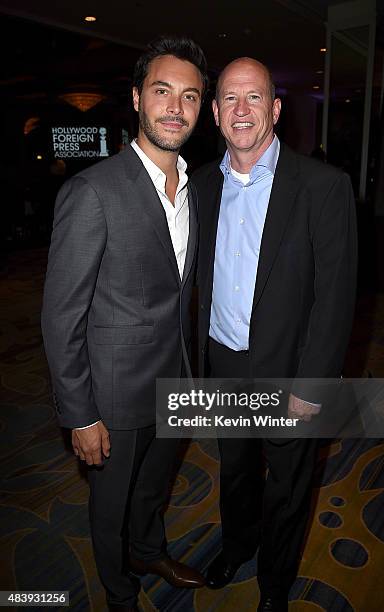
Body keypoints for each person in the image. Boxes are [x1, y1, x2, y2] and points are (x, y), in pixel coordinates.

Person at [41, 36, 208, 612]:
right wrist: (80, 412)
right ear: (137, 98)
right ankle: (119, 592)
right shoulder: (93, 191)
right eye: (162, 91)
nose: (175, 108)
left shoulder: (194, 189)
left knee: (153, 490)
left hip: (174, 380)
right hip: (111, 393)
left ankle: (148, 549)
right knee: (108, 507)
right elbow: (61, 314)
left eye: (189, 96)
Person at [193, 57, 357, 612]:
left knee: (287, 488)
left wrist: (313, 386)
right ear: (215, 113)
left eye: (255, 97)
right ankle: (237, 545)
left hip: (291, 368)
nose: (242, 110)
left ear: (276, 109)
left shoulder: (323, 186)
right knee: (235, 471)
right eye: (230, 100)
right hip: (224, 364)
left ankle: (274, 585)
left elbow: (336, 300)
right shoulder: (199, 188)